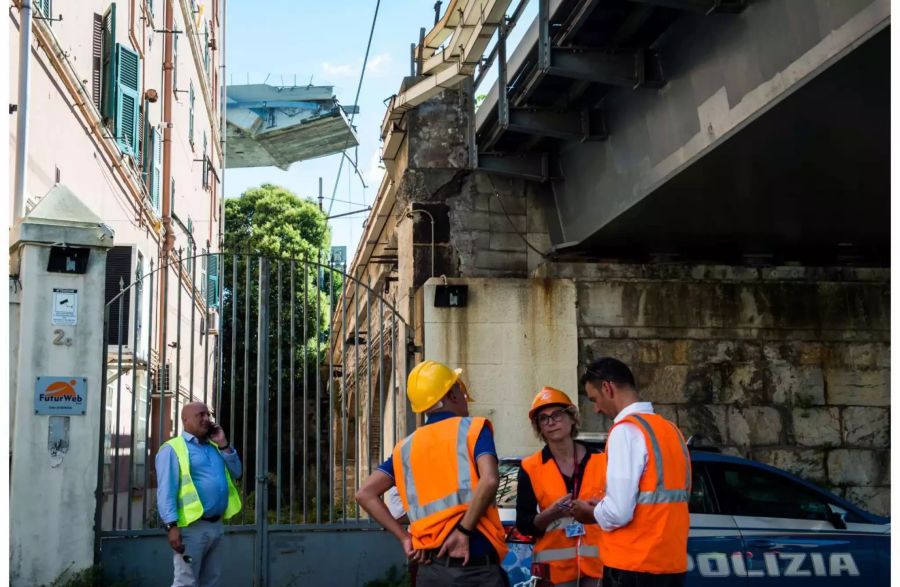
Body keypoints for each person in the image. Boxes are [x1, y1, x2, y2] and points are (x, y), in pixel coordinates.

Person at [356, 360, 509, 586]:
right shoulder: (473, 428)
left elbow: (365, 494)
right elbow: (490, 479)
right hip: (474, 566)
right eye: (461, 389)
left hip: (430, 571)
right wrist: (463, 531)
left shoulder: (405, 448)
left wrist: (404, 538)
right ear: (452, 394)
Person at [571, 358, 690, 587]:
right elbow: (663, 499)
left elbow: (619, 512)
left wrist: (591, 513)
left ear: (607, 388)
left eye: (594, 399)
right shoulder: (670, 431)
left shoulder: (625, 431)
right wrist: (603, 506)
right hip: (670, 564)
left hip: (632, 565)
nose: (596, 408)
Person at [517, 387, 605, 587]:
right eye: (543, 418)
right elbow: (524, 524)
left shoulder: (603, 460)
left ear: (572, 418)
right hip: (554, 572)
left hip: (599, 566)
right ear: (539, 427)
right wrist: (551, 513)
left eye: (557, 414)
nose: (551, 421)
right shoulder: (530, 467)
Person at [156, 402, 242, 587]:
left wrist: (224, 444)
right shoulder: (172, 449)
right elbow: (166, 490)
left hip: (216, 526)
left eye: (207, 415)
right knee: (186, 581)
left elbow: (237, 472)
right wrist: (171, 526)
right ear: (185, 420)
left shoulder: (214, 447)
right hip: (191, 529)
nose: (206, 419)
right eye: (200, 415)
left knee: (211, 581)